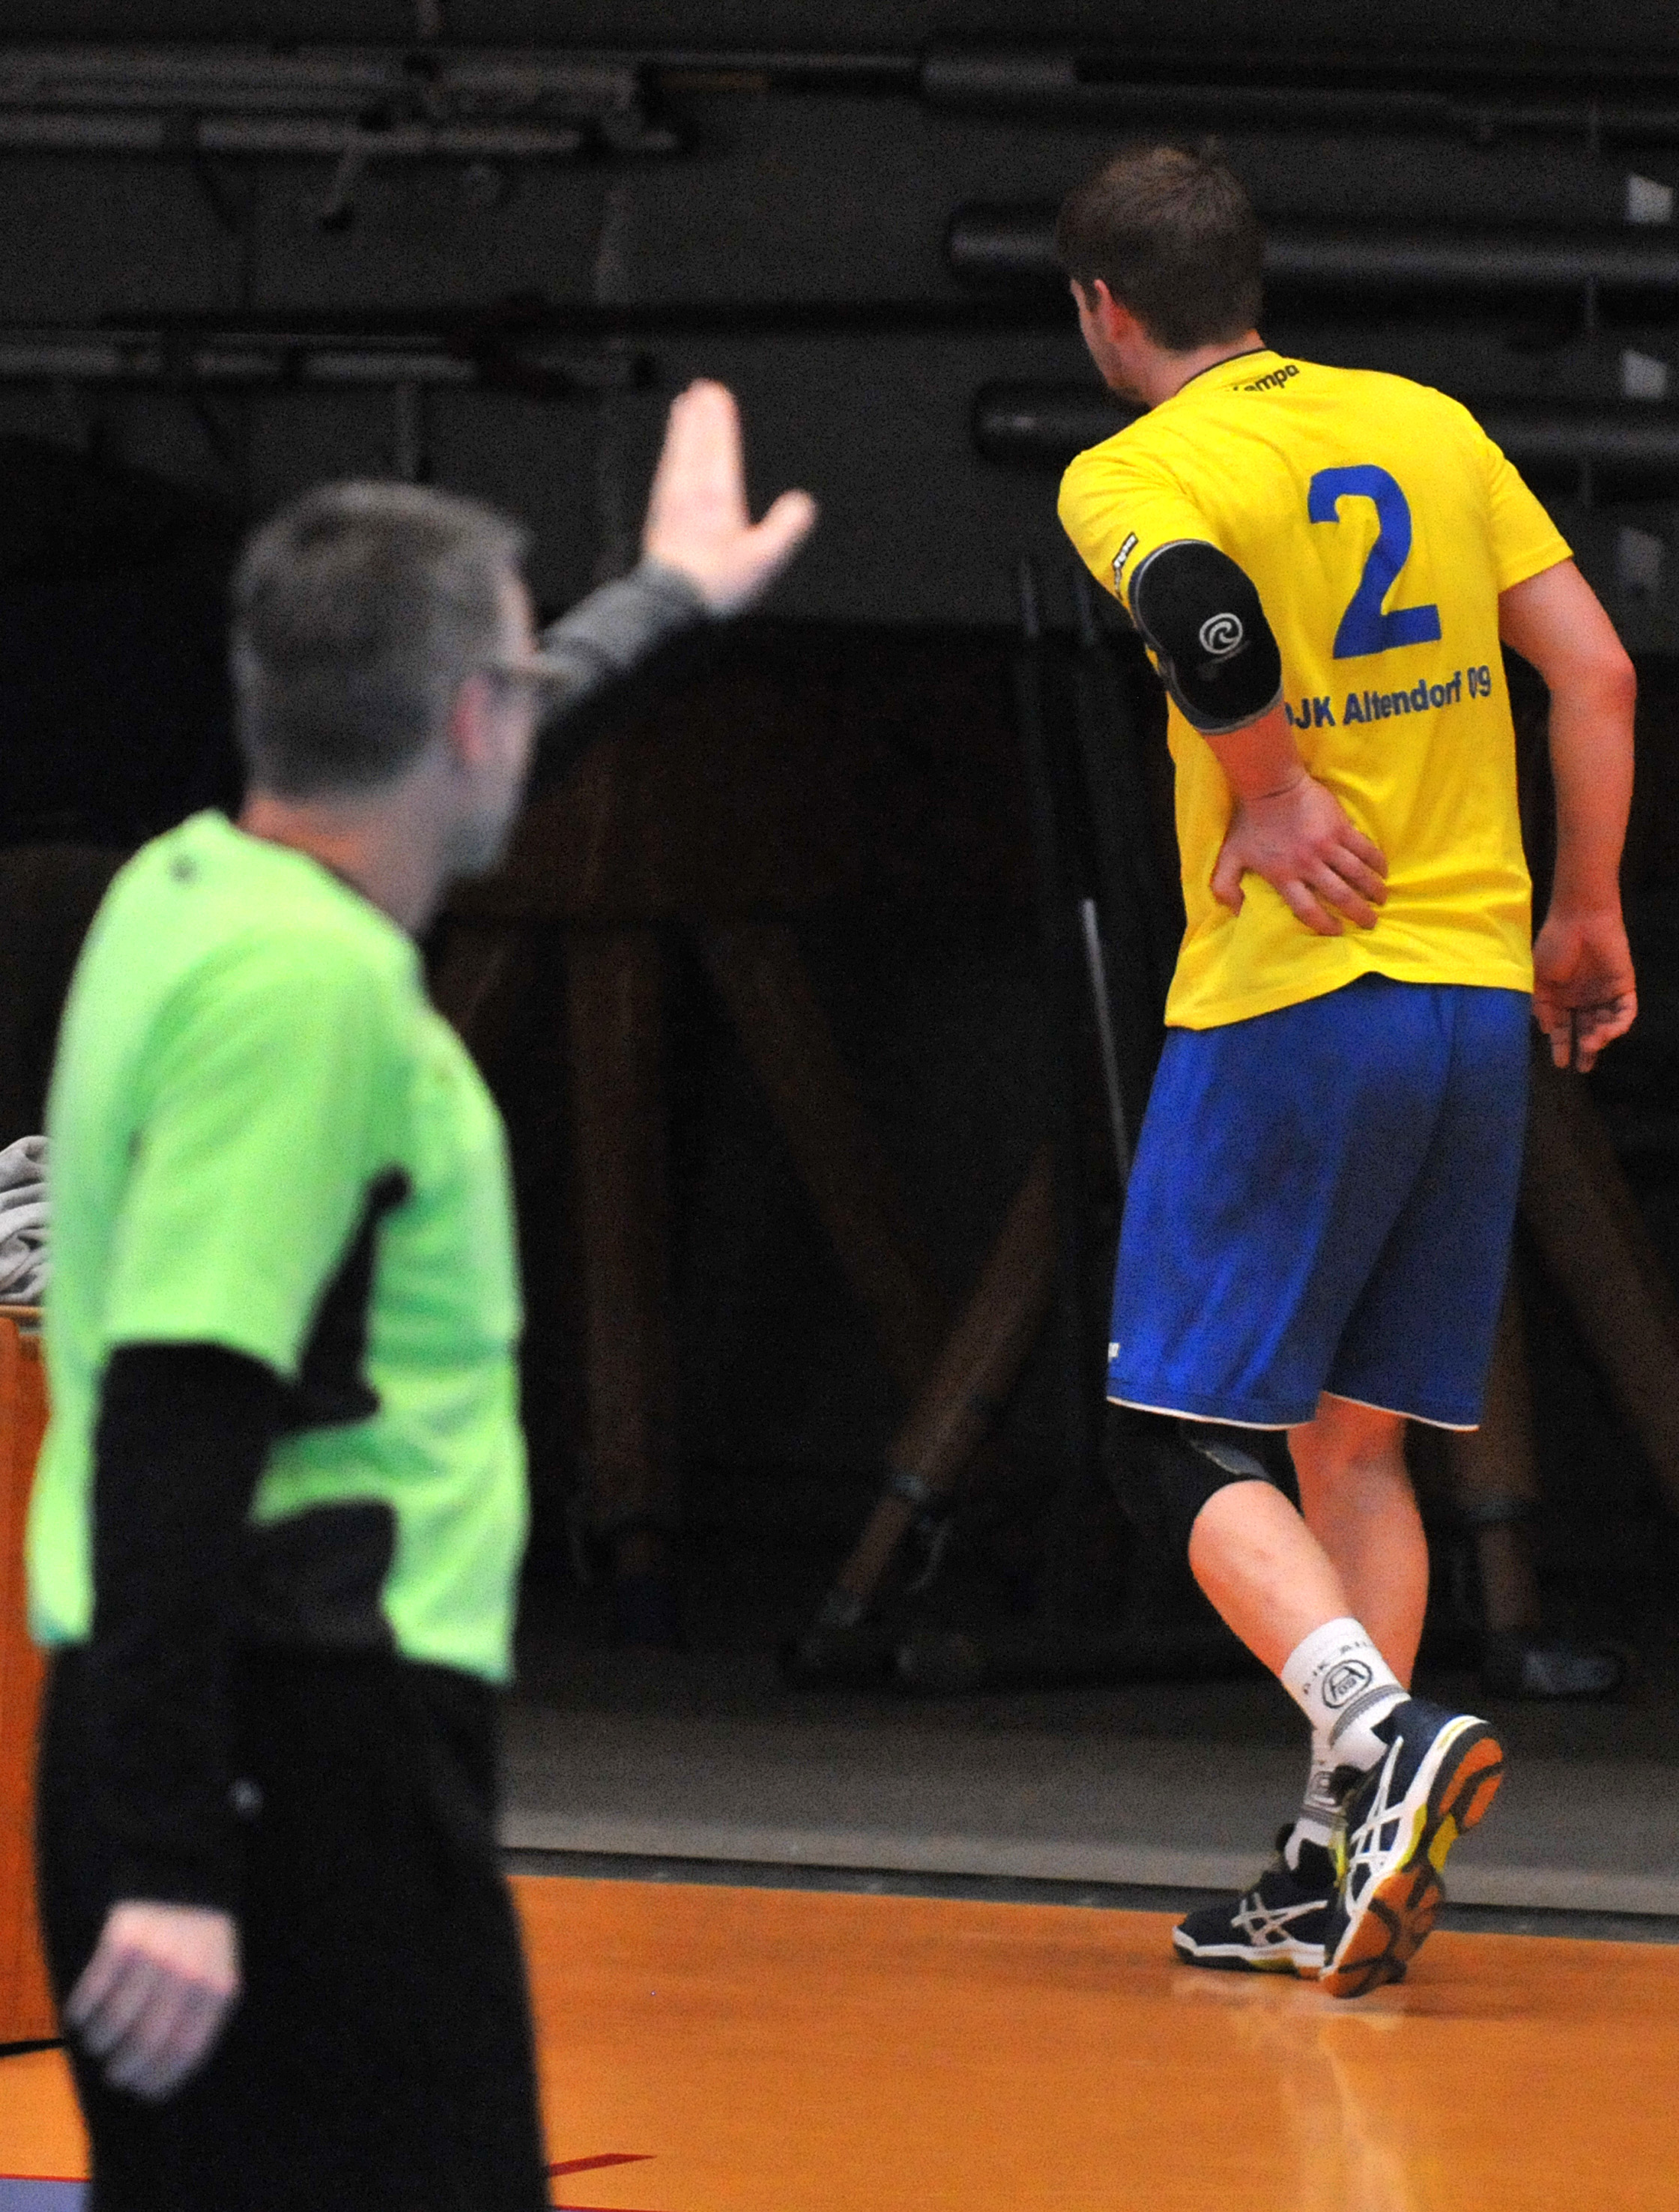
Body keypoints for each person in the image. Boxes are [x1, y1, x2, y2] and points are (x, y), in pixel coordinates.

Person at [28, 380, 816, 2205]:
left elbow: (465, 747)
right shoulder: (304, 1001)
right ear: (468, 721)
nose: (530, 711)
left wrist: (663, 604)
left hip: (210, 1732)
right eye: (516, 681)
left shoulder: (190, 888)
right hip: (288, 1757)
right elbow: (177, 1423)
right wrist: (175, 1858)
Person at [1056, 146, 1636, 1996]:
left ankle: (1376, 1733)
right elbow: (1595, 674)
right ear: (1252, 283)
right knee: (1352, 1442)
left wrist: (1273, 788)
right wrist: (1584, 909)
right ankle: (1331, 1862)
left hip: (1298, 989)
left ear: (1101, 311)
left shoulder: (1133, 467)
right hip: (1468, 997)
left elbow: (1203, 617)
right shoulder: (1424, 424)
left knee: (1167, 1431)